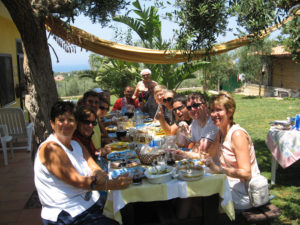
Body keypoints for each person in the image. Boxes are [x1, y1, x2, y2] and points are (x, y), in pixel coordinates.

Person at [34, 101, 132, 225]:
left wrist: (100, 176)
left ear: (75, 124)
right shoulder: (50, 149)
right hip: (67, 213)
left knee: (127, 209)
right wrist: (113, 184)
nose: (66, 124)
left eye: (70, 120)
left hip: (89, 205)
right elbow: (78, 182)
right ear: (52, 124)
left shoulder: (75, 144)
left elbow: (96, 168)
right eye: (61, 120)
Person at [205, 91, 261, 211]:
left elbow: (246, 173)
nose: (214, 114)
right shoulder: (221, 132)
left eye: (218, 110)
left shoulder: (237, 135)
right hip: (229, 185)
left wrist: (219, 170)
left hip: (244, 193)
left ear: (230, 112)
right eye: (212, 111)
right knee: (199, 199)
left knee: (204, 202)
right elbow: (209, 155)